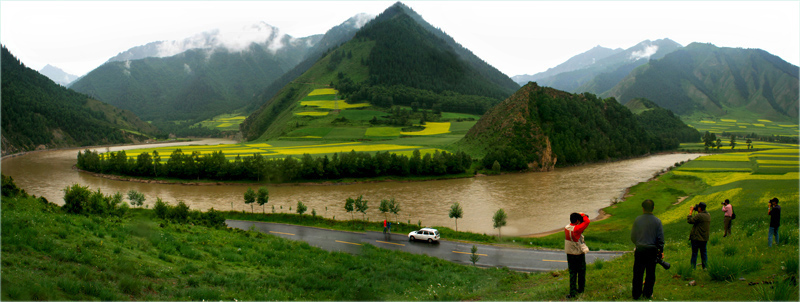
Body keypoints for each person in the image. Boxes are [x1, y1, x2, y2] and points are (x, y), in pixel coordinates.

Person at [631, 199, 664, 300]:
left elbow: (633, 236)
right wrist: (660, 251)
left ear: (643, 208)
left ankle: (636, 294)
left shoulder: (638, 220)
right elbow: (660, 239)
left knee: (638, 273)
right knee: (650, 273)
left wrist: (638, 243)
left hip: (640, 249)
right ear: (653, 208)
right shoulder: (657, 221)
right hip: (652, 250)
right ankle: (648, 293)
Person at [564, 212, 590, 299]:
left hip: (569, 254)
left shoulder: (567, 228)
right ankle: (581, 289)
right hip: (578, 254)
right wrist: (582, 214)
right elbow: (587, 222)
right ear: (578, 221)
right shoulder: (577, 229)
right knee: (581, 272)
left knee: (572, 273)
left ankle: (572, 292)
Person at [688, 202, 711, 269]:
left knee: (694, 253)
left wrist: (690, 212)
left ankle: (693, 267)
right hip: (704, 238)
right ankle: (705, 267)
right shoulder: (708, 215)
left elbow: (690, 221)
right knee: (703, 252)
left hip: (697, 238)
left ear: (700, 208)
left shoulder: (699, 216)